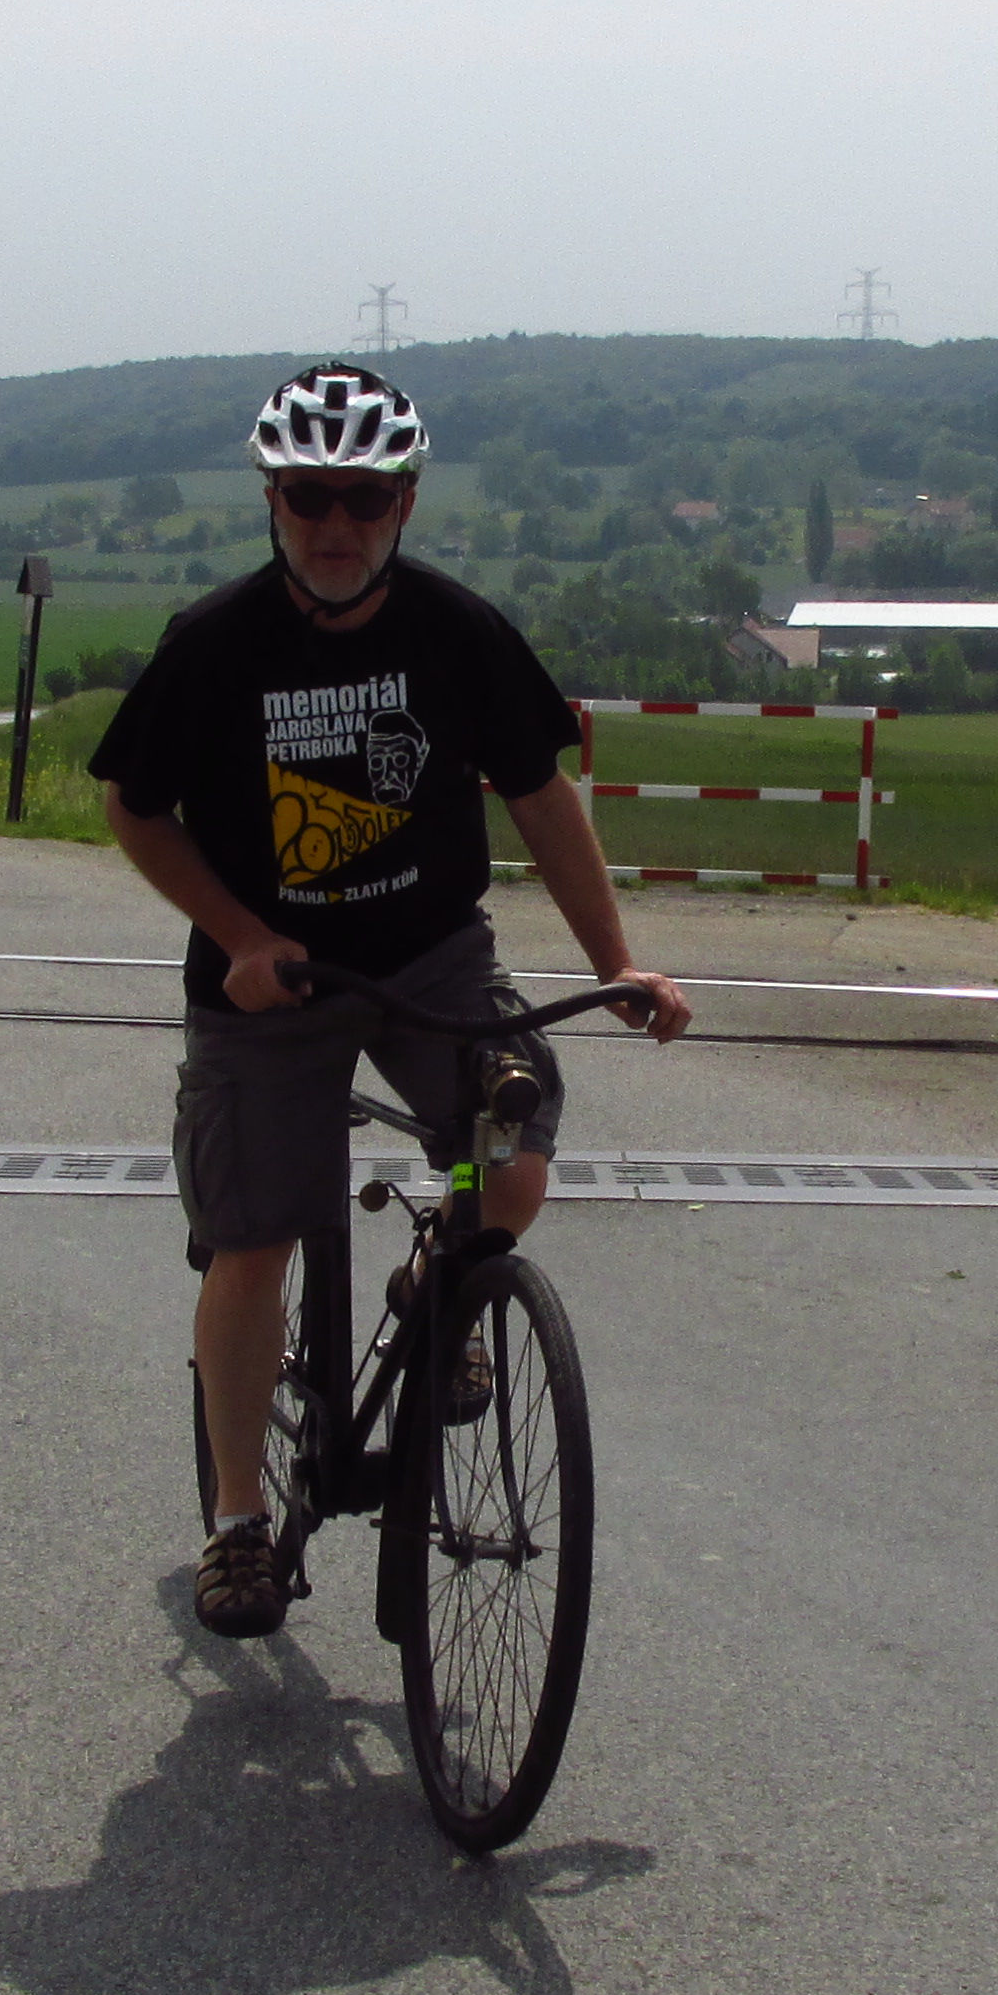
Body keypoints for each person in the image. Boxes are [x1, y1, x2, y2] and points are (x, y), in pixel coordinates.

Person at [91, 361, 692, 1637]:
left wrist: (615, 963)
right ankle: (239, 1523)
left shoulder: (455, 630)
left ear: (404, 504)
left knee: (507, 1153)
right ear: (273, 500)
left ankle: (439, 1277)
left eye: (363, 498)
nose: (336, 524)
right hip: (270, 983)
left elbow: (540, 797)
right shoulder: (215, 644)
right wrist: (240, 935)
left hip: (428, 963)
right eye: (309, 495)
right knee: (255, 1238)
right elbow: (134, 809)